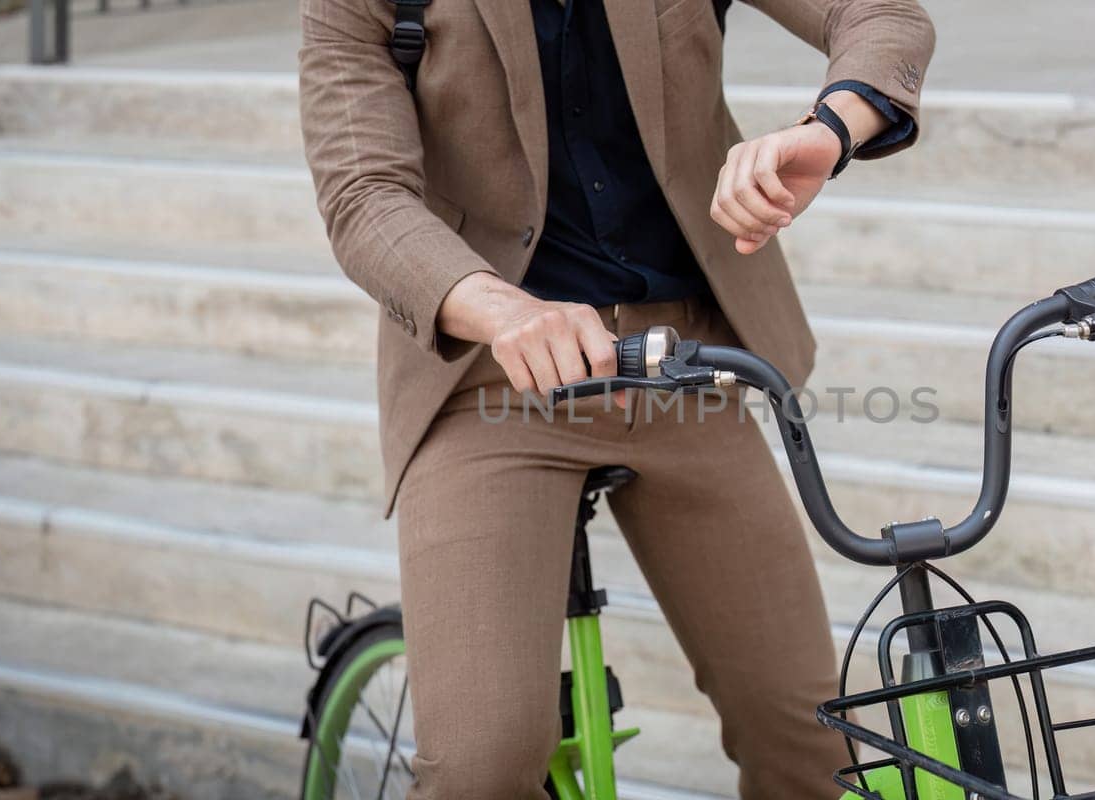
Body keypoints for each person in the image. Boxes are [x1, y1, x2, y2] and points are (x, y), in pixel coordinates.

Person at [298, 0, 933, 796]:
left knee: (813, 742)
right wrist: (501, 309)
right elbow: (363, 195)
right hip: (490, 381)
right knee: (480, 767)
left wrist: (829, 129)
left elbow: (880, 16)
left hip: (687, 365)